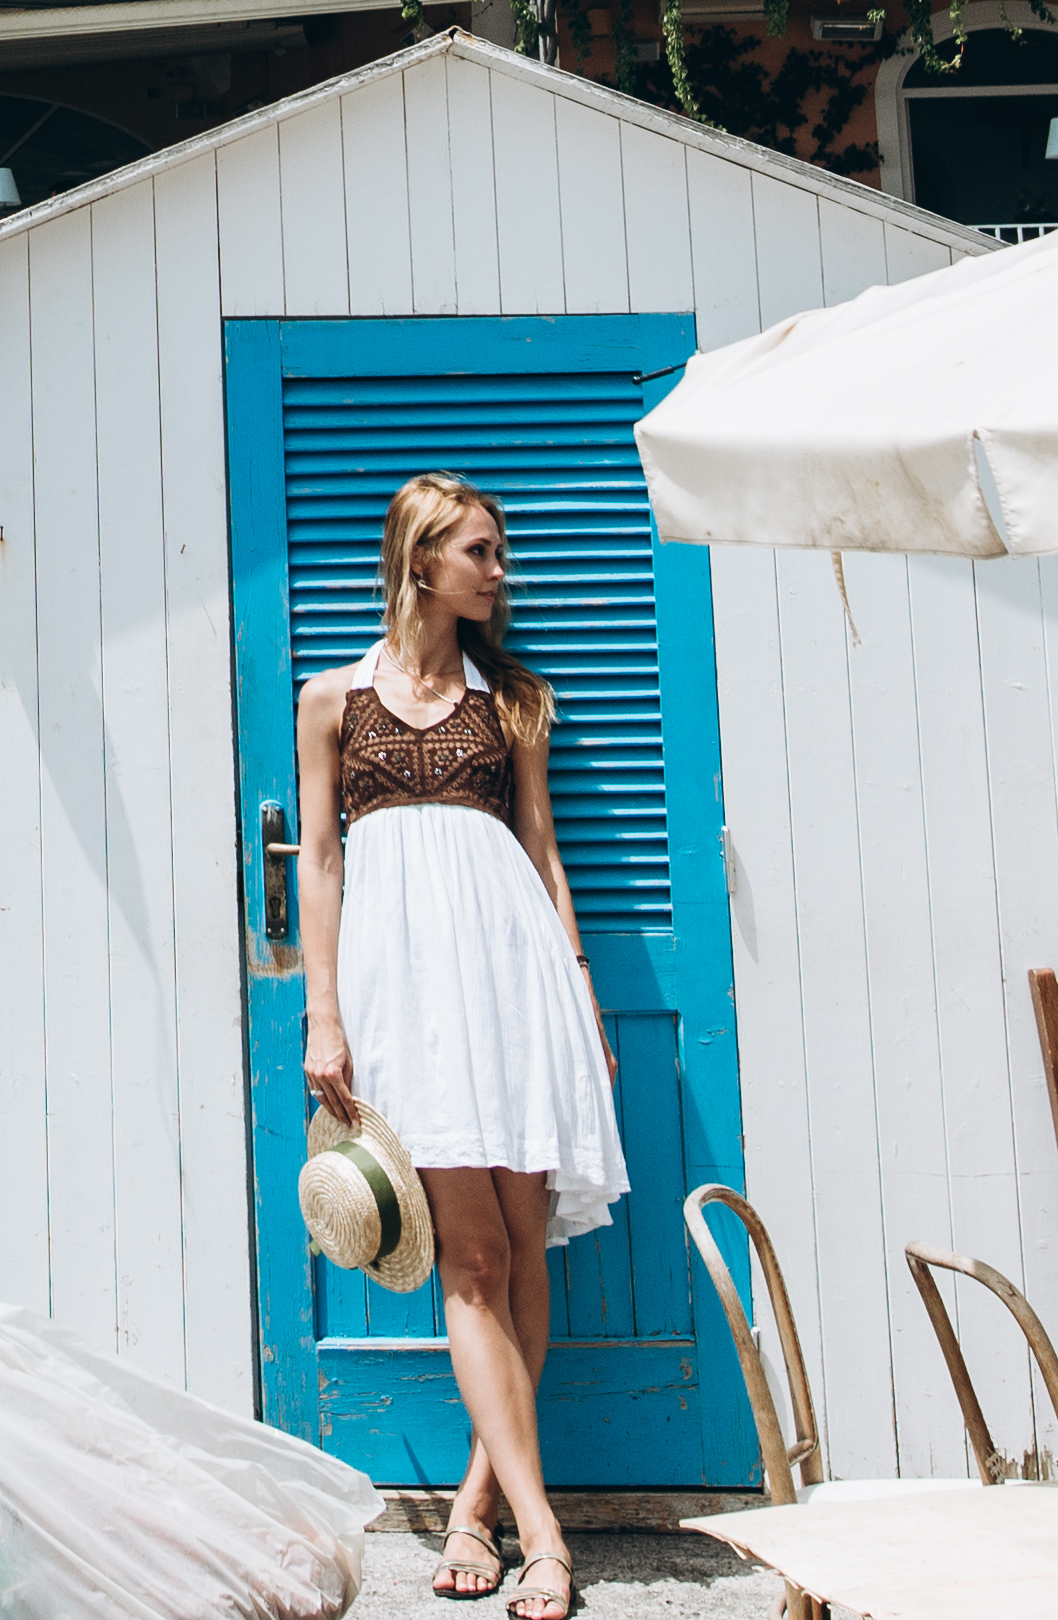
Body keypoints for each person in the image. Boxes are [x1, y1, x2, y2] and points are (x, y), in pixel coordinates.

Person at [298, 472, 628, 1620]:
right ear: (422, 558)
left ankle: (477, 1506)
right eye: (481, 551)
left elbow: (542, 855)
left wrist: (581, 998)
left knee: (526, 1251)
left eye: (499, 551)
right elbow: (322, 863)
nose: (501, 570)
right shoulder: (333, 699)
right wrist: (323, 1012)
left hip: (516, 985)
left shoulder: (514, 698)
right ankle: (546, 1534)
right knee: (471, 1259)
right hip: (411, 1003)